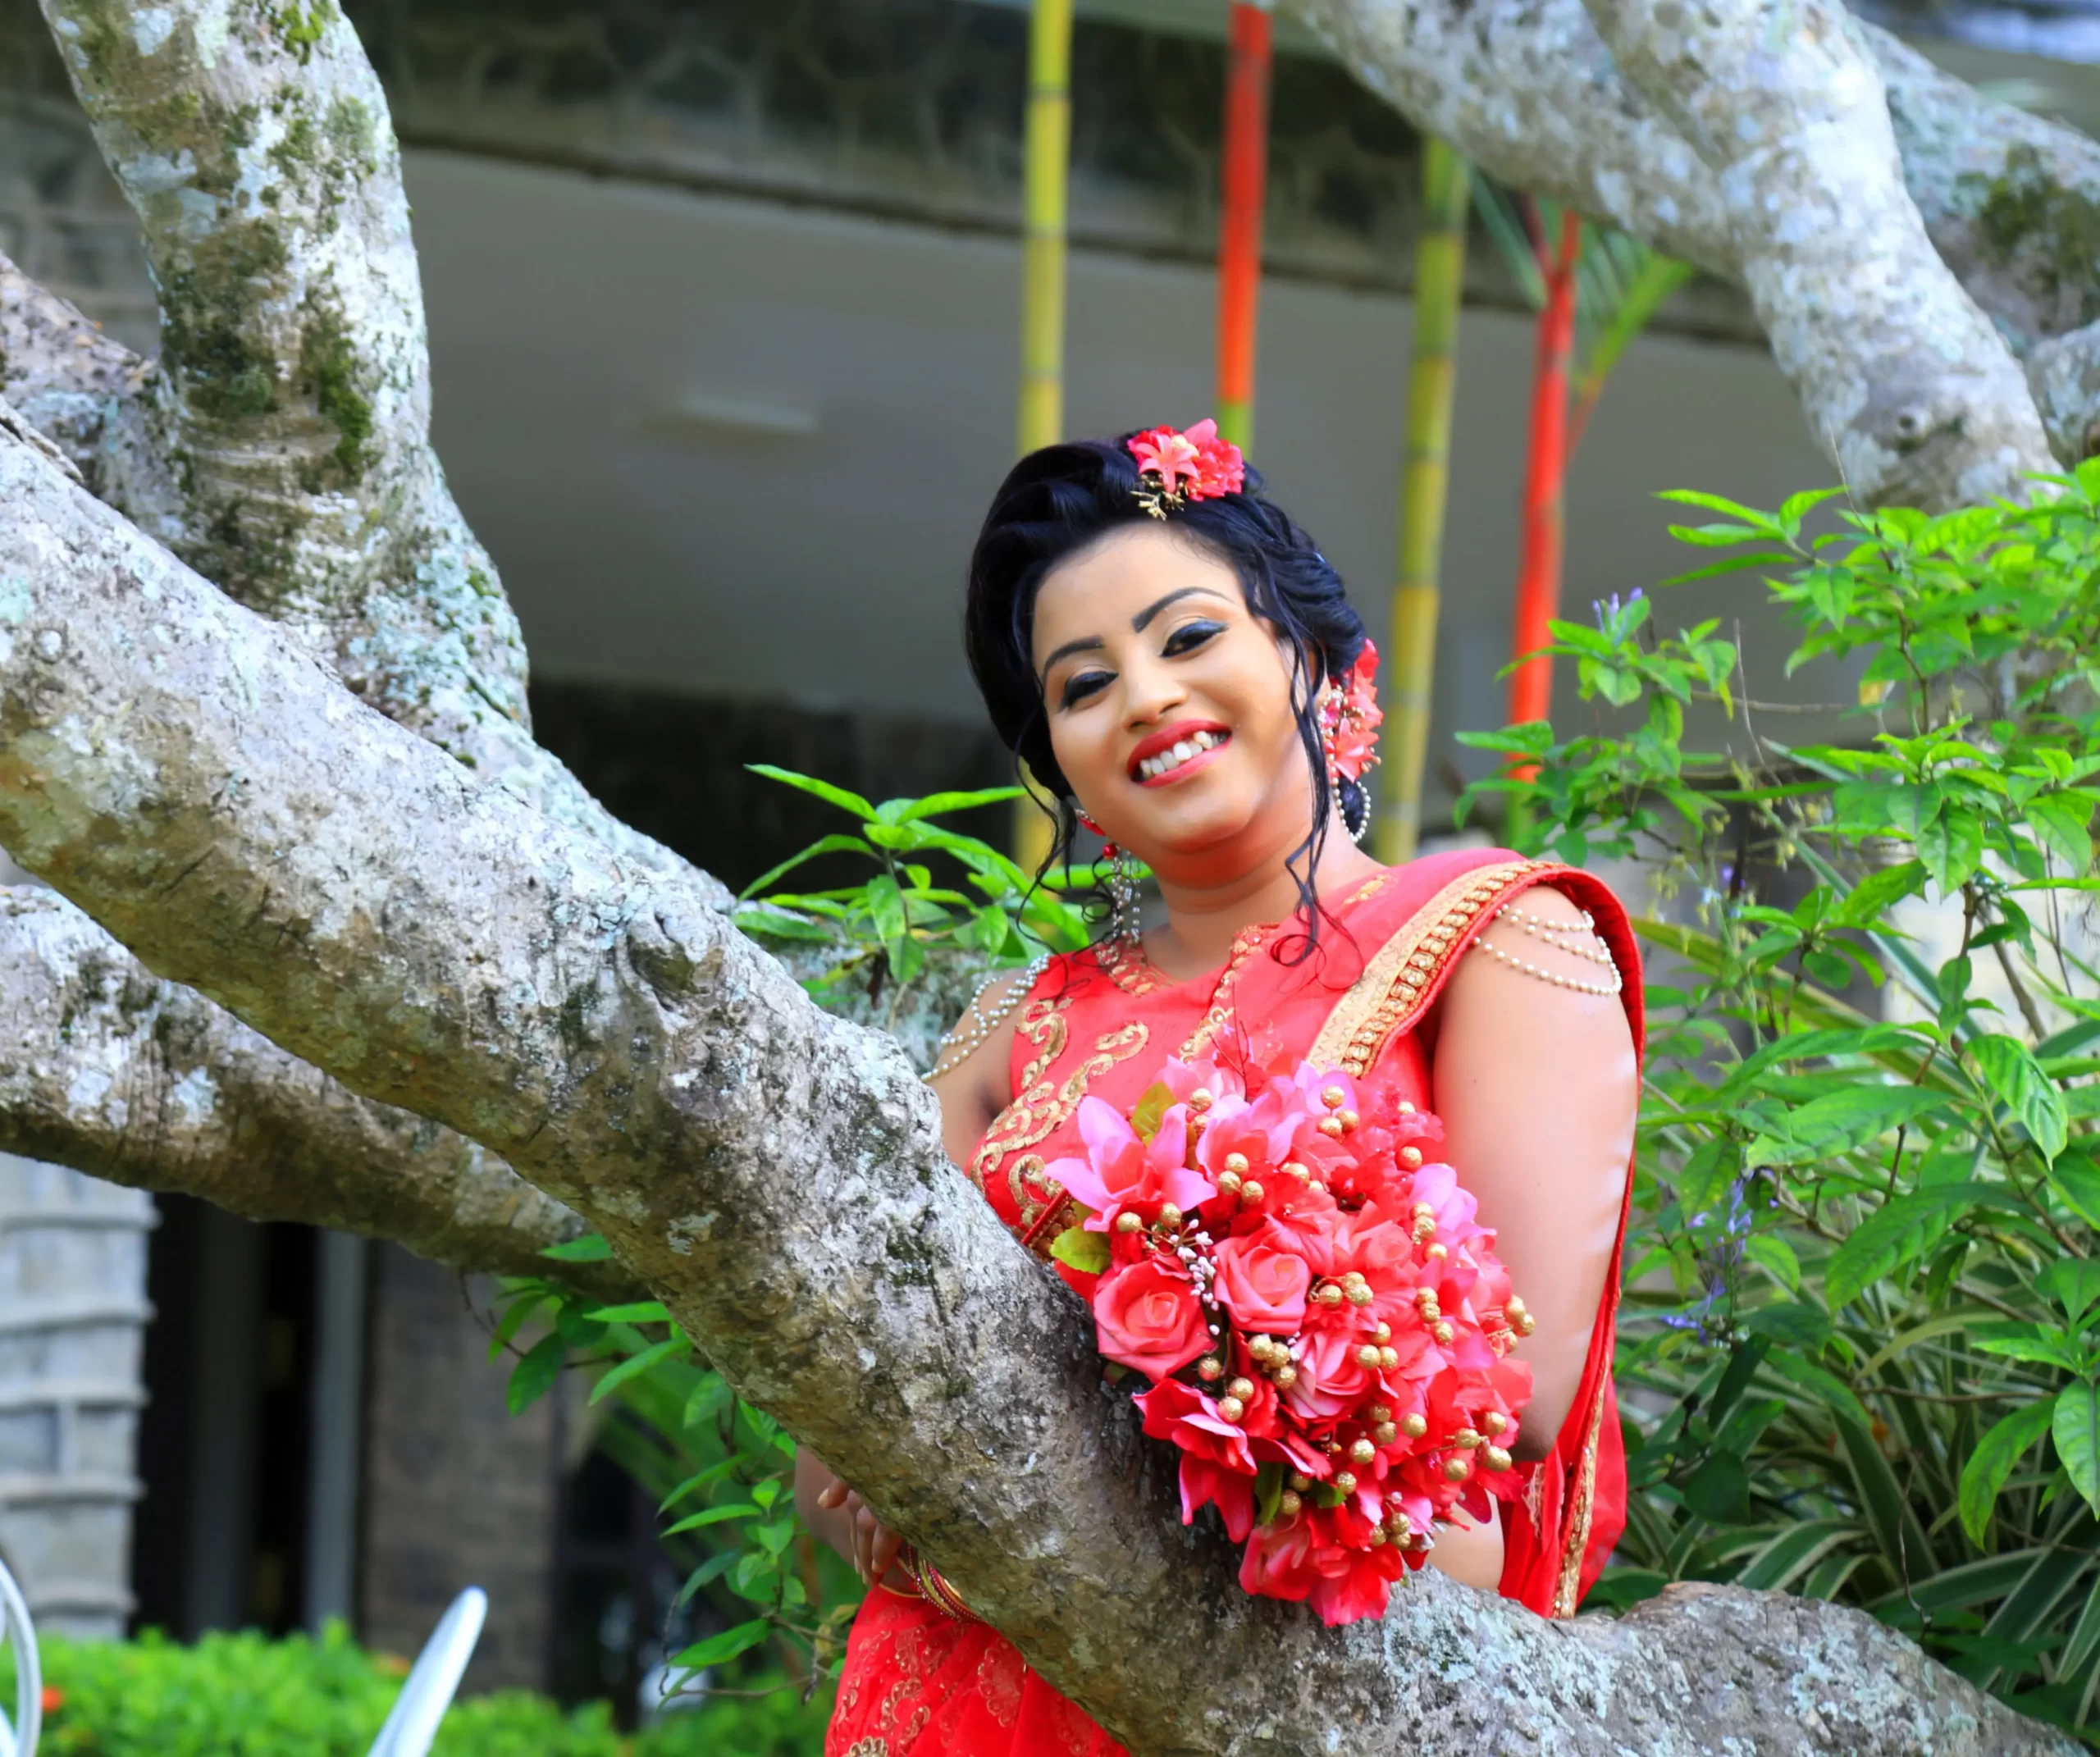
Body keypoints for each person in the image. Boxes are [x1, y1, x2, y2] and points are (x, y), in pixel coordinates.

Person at [799, 423, 1641, 1757]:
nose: (1142, 695)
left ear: (1309, 656)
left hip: (1315, 1688)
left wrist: (1208, 1369)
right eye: (1083, 685)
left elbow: (1510, 1403)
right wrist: (864, 1468)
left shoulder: (1497, 939)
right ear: (1060, 761)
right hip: (971, 1701)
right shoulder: (1008, 1035)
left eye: (1187, 637)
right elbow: (839, 1423)